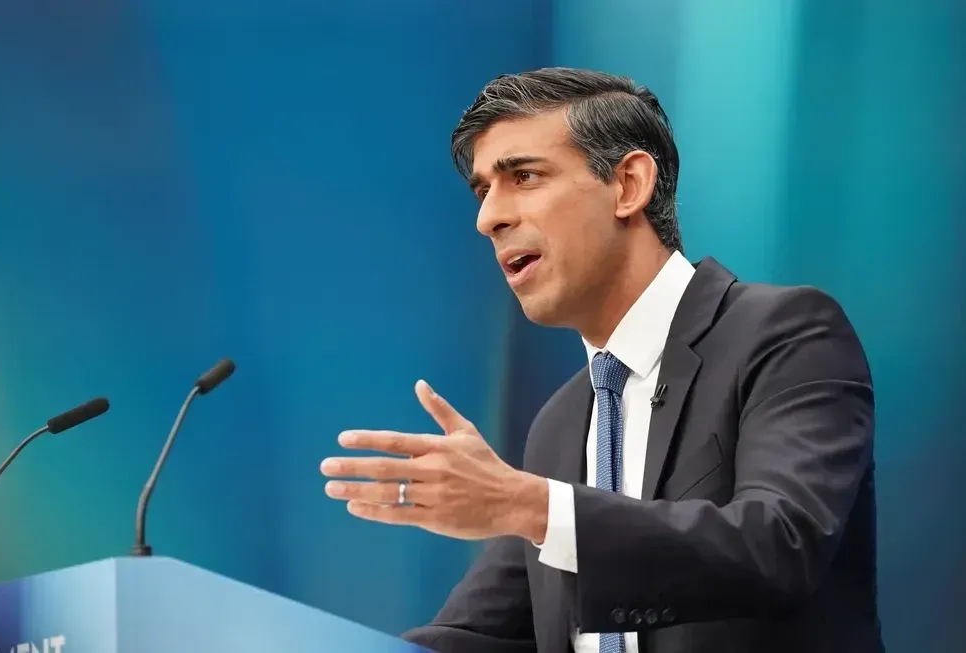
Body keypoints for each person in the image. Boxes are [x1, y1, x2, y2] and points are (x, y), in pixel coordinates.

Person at [319, 68, 884, 653]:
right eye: (483, 191)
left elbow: (781, 544)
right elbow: (471, 636)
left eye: (524, 176)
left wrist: (529, 505)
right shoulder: (560, 424)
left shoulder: (787, 334)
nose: (488, 219)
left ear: (628, 185)